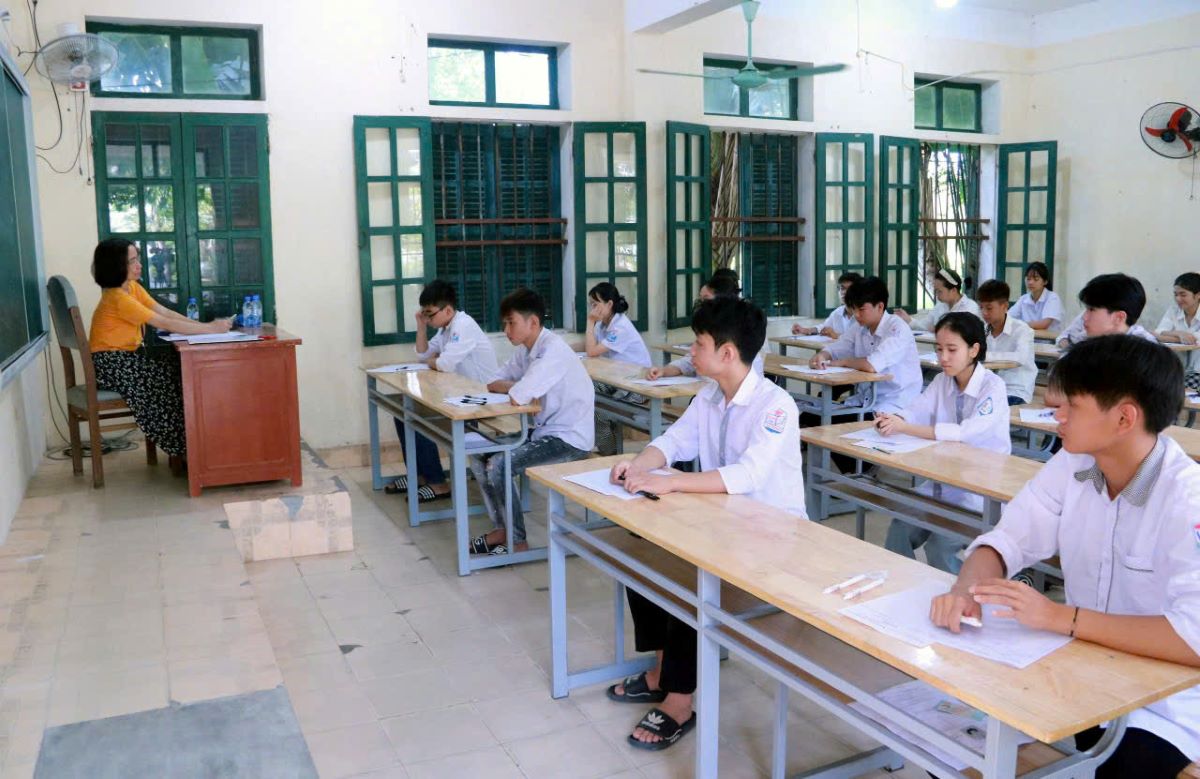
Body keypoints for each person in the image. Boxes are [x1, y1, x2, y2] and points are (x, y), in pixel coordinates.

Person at [930, 335, 1200, 778]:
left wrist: (1063, 618)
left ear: (1124, 418)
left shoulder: (1187, 499)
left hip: (1164, 706)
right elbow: (1007, 540)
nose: (1056, 415)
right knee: (950, 742)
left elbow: (1194, 636)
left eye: (1071, 406)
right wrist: (965, 590)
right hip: (1077, 676)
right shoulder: (1073, 465)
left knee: (1116, 767)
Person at [604, 296, 805, 751]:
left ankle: (679, 701)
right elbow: (673, 440)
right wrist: (640, 467)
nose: (690, 354)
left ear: (728, 353)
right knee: (644, 555)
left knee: (687, 580)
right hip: (725, 524)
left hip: (772, 538)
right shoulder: (711, 395)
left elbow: (748, 475)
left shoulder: (776, 406)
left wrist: (672, 484)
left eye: (698, 345)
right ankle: (661, 671)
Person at [877, 313, 1011, 572]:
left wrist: (905, 427)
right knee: (900, 527)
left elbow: (965, 432)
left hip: (980, 488)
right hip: (944, 479)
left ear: (974, 350)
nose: (943, 357)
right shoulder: (942, 381)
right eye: (939, 349)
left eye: (952, 349)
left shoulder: (993, 387)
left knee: (939, 547)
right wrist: (895, 417)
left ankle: (963, 599)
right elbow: (918, 408)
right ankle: (902, 586)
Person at [468, 288, 593, 555]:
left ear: (533, 322)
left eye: (511, 322)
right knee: (478, 453)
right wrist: (516, 386)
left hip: (569, 438)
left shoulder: (553, 351)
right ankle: (502, 527)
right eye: (504, 323)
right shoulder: (526, 350)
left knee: (501, 463)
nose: (506, 329)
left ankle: (517, 540)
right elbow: (494, 381)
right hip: (543, 432)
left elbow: (517, 395)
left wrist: (516, 386)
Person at [88, 238, 231, 467]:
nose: (139, 265)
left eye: (138, 259)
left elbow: (165, 312)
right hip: (111, 365)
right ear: (116, 266)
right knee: (171, 378)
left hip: (125, 359)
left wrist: (206, 329)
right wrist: (209, 329)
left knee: (177, 369)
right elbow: (162, 322)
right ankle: (185, 450)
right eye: (132, 261)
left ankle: (190, 449)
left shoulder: (132, 287)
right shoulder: (117, 297)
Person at [385, 280, 498, 502]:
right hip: (462, 395)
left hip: (483, 399)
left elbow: (444, 363)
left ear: (447, 310)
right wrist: (421, 326)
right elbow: (424, 355)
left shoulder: (463, 326)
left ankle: (438, 483)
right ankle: (419, 475)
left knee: (418, 417)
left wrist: (436, 360)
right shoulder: (446, 328)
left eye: (430, 314)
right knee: (402, 412)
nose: (428, 319)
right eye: (424, 314)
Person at [809, 277, 923, 414]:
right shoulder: (859, 326)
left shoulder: (897, 329)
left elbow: (871, 365)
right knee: (810, 416)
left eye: (861, 309)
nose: (856, 315)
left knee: (825, 424)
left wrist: (842, 362)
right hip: (864, 401)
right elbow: (839, 347)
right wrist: (822, 355)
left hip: (893, 405)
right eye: (854, 309)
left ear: (880, 307)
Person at [646, 269, 764, 380]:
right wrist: (664, 371)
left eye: (706, 300)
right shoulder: (712, 329)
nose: (702, 305)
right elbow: (689, 361)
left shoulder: (739, 330)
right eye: (700, 300)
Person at [585, 281, 652, 456]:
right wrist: (564, 349)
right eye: (590, 304)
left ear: (609, 304)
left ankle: (609, 453)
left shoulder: (620, 327)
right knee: (584, 390)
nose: (592, 309)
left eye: (595, 304)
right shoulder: (603, 324)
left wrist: (590, 321)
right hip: (617, 379)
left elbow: (591, 351)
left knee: (600, 411)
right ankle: (608, 449)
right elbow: (588, 345)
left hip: (639, 385)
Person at [1055, 273, 1158, 349]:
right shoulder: (1083, 339)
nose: (1084, 317)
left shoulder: (1146, 352)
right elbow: (1064, 338)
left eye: (1091, 310)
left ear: (1119, 318)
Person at [976, 279, 1037, 406]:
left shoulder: (1022, 330)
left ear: (1004, 306)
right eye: (981, 307)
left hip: (1015, 390)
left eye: (989, 308)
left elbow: (1020, 358)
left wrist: (985, 356)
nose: (984, 313)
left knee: (984, 412)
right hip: (989, 388)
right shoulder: (983, 329)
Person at [894, 267, 981, 332]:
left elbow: (966, 333)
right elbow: (925, 325)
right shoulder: (940, 305)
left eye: (940, 291)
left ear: (953, 290)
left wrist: (939, 329)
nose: (937, 295)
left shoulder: (970, 307)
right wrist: (908, 319)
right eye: (936, 291)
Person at [1156, 272, 1200, 378]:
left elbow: (1194, 340)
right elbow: (1156, 333)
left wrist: (1166, 337)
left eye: (1183, 294)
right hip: (1178, 371)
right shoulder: (1173, 310)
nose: (1178, 299)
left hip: (1197, 372)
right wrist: (1179, 334)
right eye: (1175, 294)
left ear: (1198, 295)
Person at [793, 271, 863, 338]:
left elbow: (863, 339)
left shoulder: (865, 313)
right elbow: (823, 328)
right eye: (842, 288)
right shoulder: (837, 312)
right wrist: (805, 330)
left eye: (849, 289)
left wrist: (836, 335)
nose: (844, 292)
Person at [1009, 261, 1064, 331]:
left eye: (1036, 279)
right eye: (1028, 279)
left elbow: (1044, 324)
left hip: (1049, 340)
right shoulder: (1023, 299)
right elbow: (1008, 318)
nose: (1031, 282)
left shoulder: (1053, 298)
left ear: (1045, 281)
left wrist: (1019, 325)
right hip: (1028, 338)